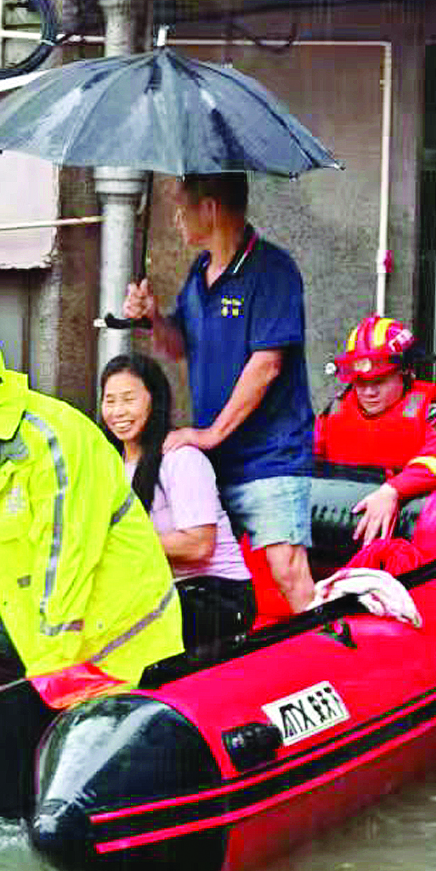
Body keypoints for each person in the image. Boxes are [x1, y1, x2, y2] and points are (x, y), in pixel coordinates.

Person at [0, 310, 182, 695]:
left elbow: (66, 560)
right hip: (44, 628)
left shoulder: (52, 441)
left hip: (115, 637)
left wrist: (51, 670)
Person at [123, 171, 318, 612]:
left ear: (209, 208)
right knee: (209, 570)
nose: (175, 220)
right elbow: (178, 346)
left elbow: (267, 365)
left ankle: (334, 668)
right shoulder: (198, 274)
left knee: (288, 569)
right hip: (214, 460)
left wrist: (209, 434)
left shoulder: (273, 270)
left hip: (270, 456)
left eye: (181, 209)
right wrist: (153, 317)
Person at [97, 353, 257, 651]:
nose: (118, 411)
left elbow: (199, 545)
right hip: (164, 589)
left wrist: (118, 543)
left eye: (129, 399)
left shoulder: (181, 458)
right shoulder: (111, 466)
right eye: (110, 400)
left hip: (219, 594)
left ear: (154, 400)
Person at [313, 315, 436, 546]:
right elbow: (301, 457)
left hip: (405, 533)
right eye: (360, 382)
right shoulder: (336, 409)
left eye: (379, 381)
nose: (368, 392)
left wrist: (392, 491)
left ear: (404, 371)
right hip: (338, 528)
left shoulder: (428, 408)